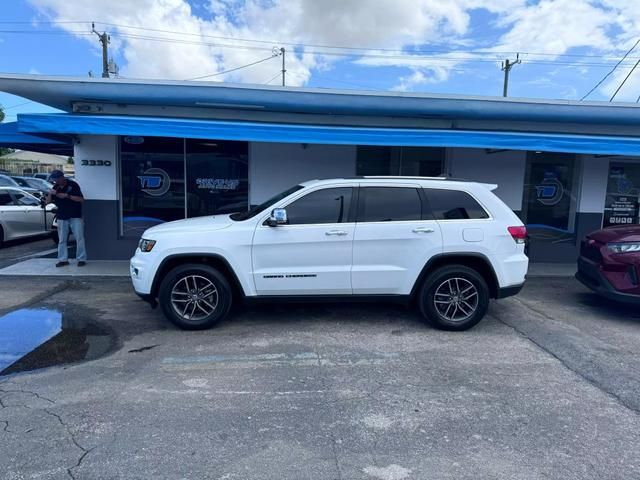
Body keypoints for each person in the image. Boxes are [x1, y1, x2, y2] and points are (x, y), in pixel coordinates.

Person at [46, 170, 87, 267]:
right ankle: (63, 259)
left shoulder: (73, 185)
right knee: (62, 239)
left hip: (75, 215)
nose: (56, 181)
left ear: (62, 177)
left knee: (79, 238)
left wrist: (67, 196)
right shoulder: (55, 187)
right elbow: (47, 202)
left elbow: (81, 199)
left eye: (57, 179)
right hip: (61, 216)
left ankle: (81, 259)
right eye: (54, 180)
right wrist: (50, 193)